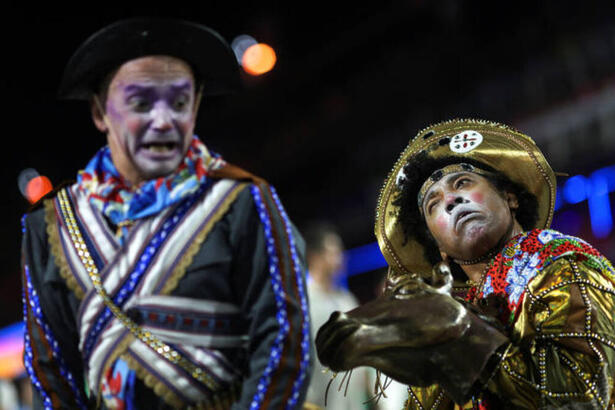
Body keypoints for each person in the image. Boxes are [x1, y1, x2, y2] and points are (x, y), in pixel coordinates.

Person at [20, 18, 311, 409]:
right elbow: (50, 370)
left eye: (179, 102)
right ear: (99, 112)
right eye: (140, 103)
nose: (164, 120)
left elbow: (283, 341)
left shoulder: (243, 201)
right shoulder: (52, 225)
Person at [315, 118, 615, 408]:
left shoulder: (563, 262)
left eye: (462, 182)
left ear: (510, 197)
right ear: (440, 249)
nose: (451, 200)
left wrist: (462, 335)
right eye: (434, 204)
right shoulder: (459, 309)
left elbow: (584, 396)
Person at [302, 223, 373, 409]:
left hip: (353, 402)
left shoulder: (347, 300)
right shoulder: (303, 303)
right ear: (314, 256)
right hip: (317, 402)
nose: (340, 257)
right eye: (333, 252)